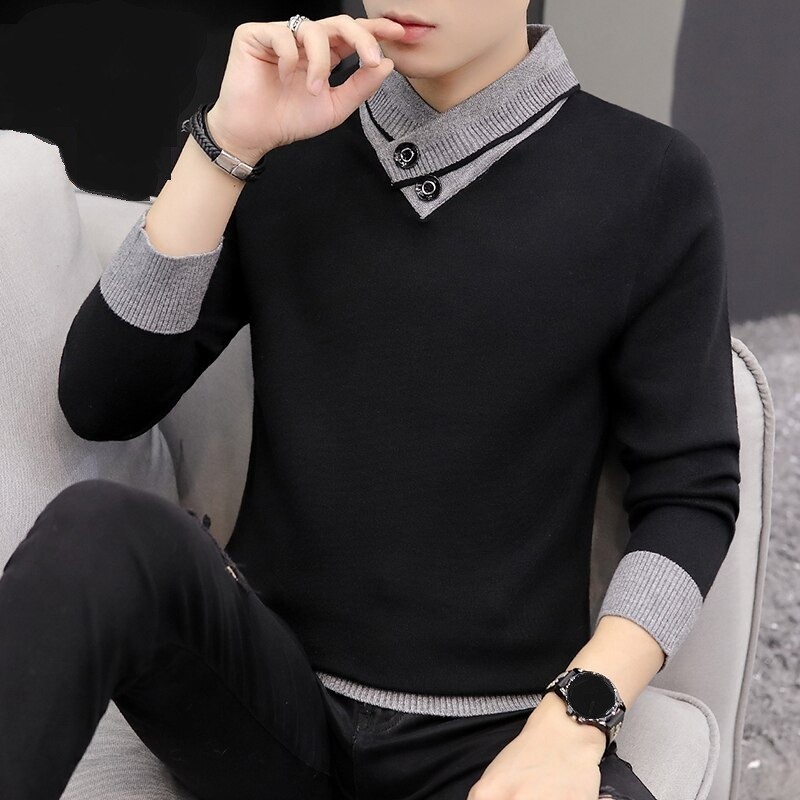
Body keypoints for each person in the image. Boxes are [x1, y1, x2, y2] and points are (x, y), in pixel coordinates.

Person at [0, 3, 740, 799]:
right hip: (265, 702)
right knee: (99, 527)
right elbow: (102, 401)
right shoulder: (288, 136)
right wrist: (227, 146)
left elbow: (690, 495)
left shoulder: (648, 180)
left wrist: (576, 717)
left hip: (493, 738)